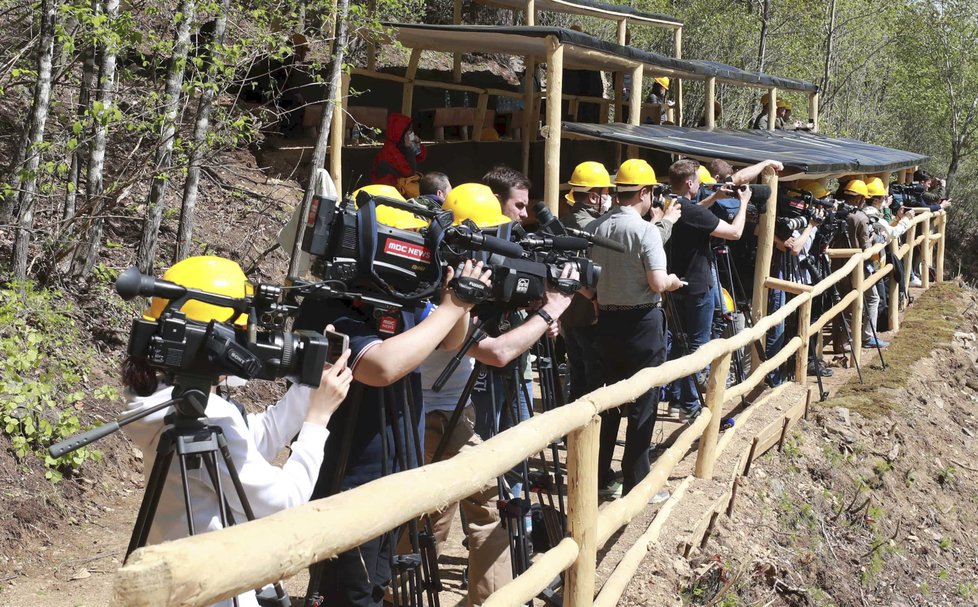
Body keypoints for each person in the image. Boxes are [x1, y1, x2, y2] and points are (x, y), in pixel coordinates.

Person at [121, 256, 353, 607]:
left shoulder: (165, 401)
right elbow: (283, 501)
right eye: (243, 333)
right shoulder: (208, 413)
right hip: (219, 588)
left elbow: (250, 440)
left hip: (176, 580)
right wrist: (318, 420)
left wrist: (309, 387)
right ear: (215, 340)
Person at [296, 205, 491, 606]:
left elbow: (449, 341)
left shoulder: (396, 299)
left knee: (377, 583)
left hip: (396, 470)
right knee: (351, 593)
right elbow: (381, 367)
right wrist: (452, 307)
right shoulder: (331, 303)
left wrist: (455, 297)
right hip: (350, 478)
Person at [409, 185, 582, 604]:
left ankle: (492, 598)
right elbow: (498, 353)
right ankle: (400, 590)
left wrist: (534, 321)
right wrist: (549, 312)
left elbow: (500, 337)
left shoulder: (458, 280)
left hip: (457, 413)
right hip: (434, 418)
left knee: (488, 510)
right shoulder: (445, 289)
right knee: (430, 521)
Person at [587, 158, 683, 499]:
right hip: (642, 321)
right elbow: (657, 282)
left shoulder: (596, 227)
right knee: (644, 400)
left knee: (610, 399)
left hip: (607, 321)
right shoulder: (645, 231)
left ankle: (600, 475)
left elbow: (586, 283)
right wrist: (673, 282)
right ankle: (637, 481)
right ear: (644, 192)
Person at [665, 159, 752, 419]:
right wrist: (744, 203)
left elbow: (695, 211)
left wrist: (714, 197)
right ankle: (691, 407)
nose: (701, 186)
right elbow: (735, 232)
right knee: (697, 348)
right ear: (690, 183)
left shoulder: (672, 205)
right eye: (699, 182)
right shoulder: (690, 209)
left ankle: (678, 400)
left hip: (676, 284)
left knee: (680, 344)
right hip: (697, 286)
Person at [372, 112, 427, 198]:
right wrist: (409, 148)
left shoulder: (400, 145)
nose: (411, 134)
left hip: (399, 189)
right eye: (408, 131)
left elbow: (421, 157)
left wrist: (417, 144)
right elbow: (409, 172)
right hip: (388, 193)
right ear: (401, 133)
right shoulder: (389, 150)